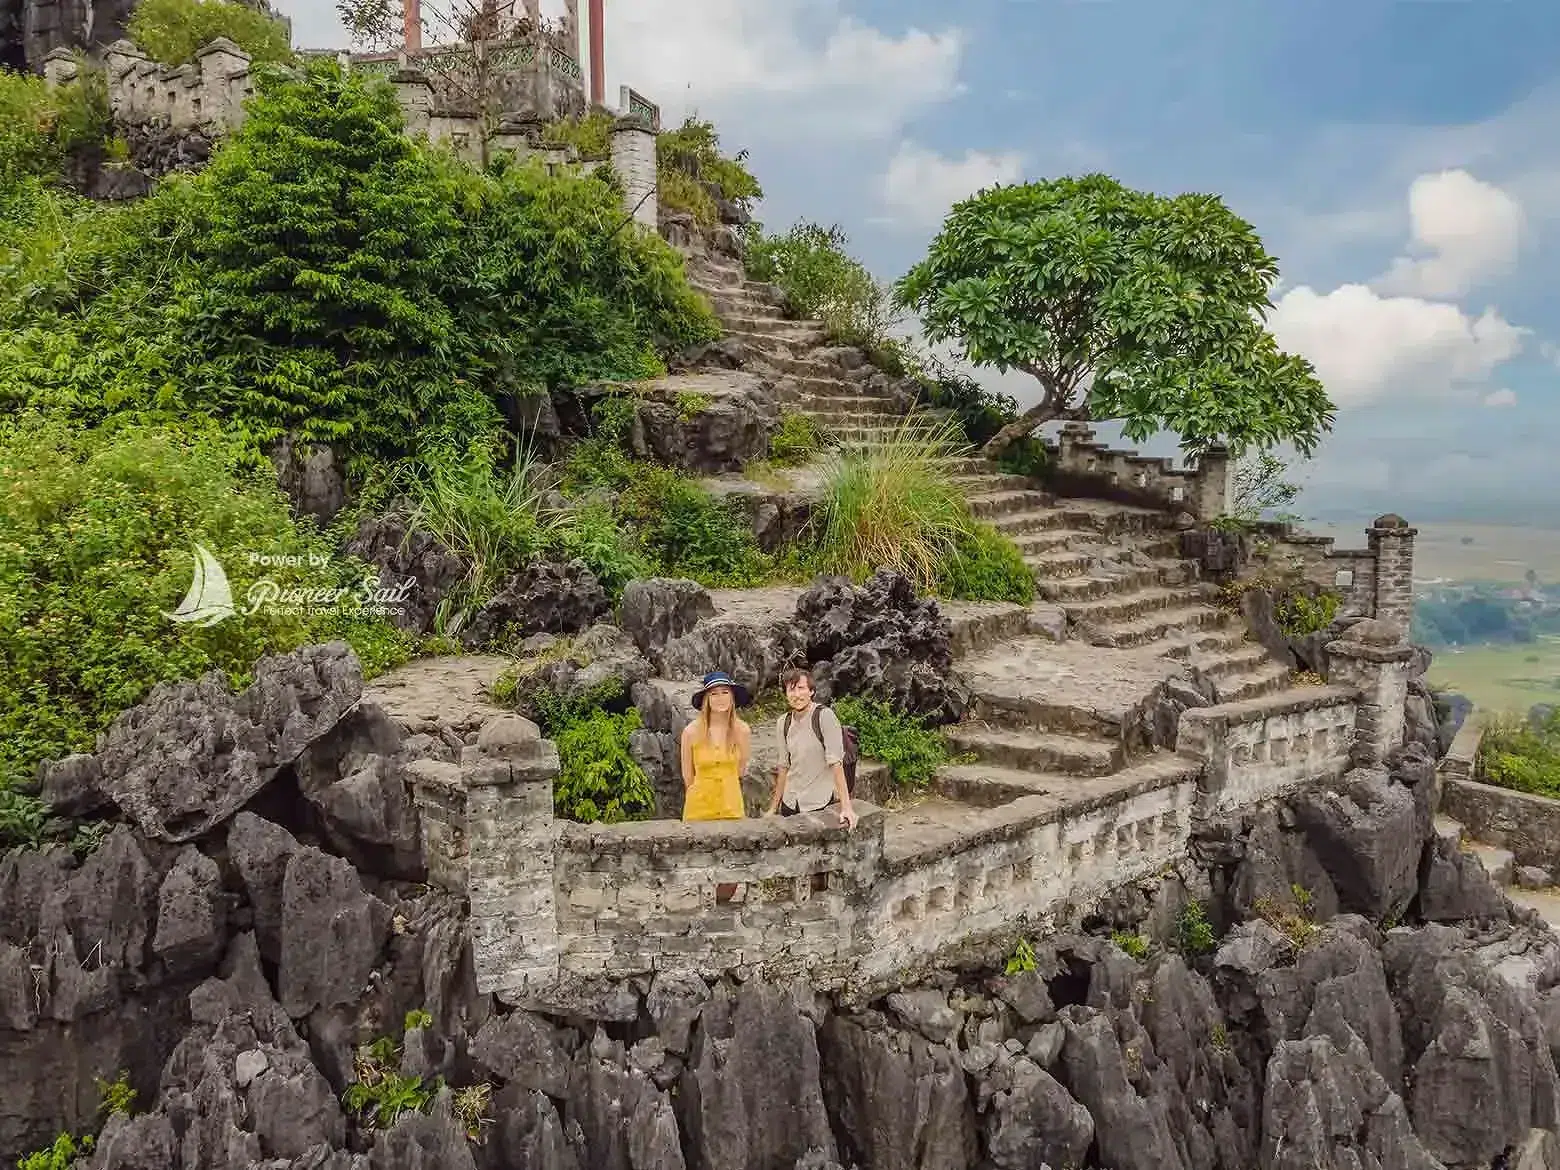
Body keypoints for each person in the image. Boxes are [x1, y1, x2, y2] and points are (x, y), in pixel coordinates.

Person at [766, 668, 859, 830]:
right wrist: (773, 808)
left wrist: (846, 807)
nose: (796, 695)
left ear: (811, 691)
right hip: (790, 802)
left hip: (818, 802)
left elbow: (836, 763)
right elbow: (784, 766)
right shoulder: (783, 722)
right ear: (786, 694)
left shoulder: (824, 717)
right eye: (791, 689)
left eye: (801, 688)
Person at [680, 671, 752, 824]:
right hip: (699, 810)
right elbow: (687, 776)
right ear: (707, 699)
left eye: (725, 692)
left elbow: (741, 770)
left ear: (732, 697)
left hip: (731, 808)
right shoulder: (690, 732)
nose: (720, 698)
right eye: (714, 694)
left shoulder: (743, 730)